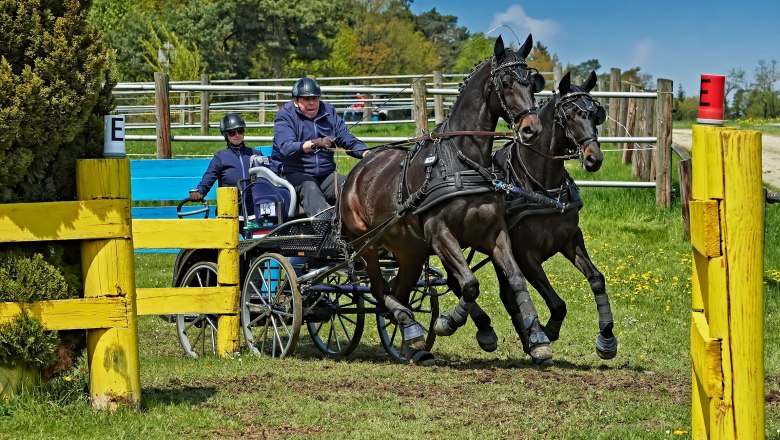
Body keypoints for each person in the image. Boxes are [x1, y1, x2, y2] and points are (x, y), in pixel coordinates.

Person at [270, 77, 370, 217]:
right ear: (296, 101)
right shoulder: (285, 115)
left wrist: (366, 153)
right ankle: (324, 230)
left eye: (315, 99)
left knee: (352, 187)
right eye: (306, 99)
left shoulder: (328, 111)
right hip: (294, 173)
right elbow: (287, 148)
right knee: (310, 188)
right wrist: (315, 143)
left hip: (326, 174)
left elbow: (345, 137)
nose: (312, 103)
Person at [189, 113, 265, 223]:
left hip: (253, 212)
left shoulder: (255, 154)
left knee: (256, 240)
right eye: (232, 132)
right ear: (225, 135)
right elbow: (209, 176)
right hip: (229, 213)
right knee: (226, 241)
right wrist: (200, 191)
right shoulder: (220, 157)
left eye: (240, 131)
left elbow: (268, 176)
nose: (237, 135)